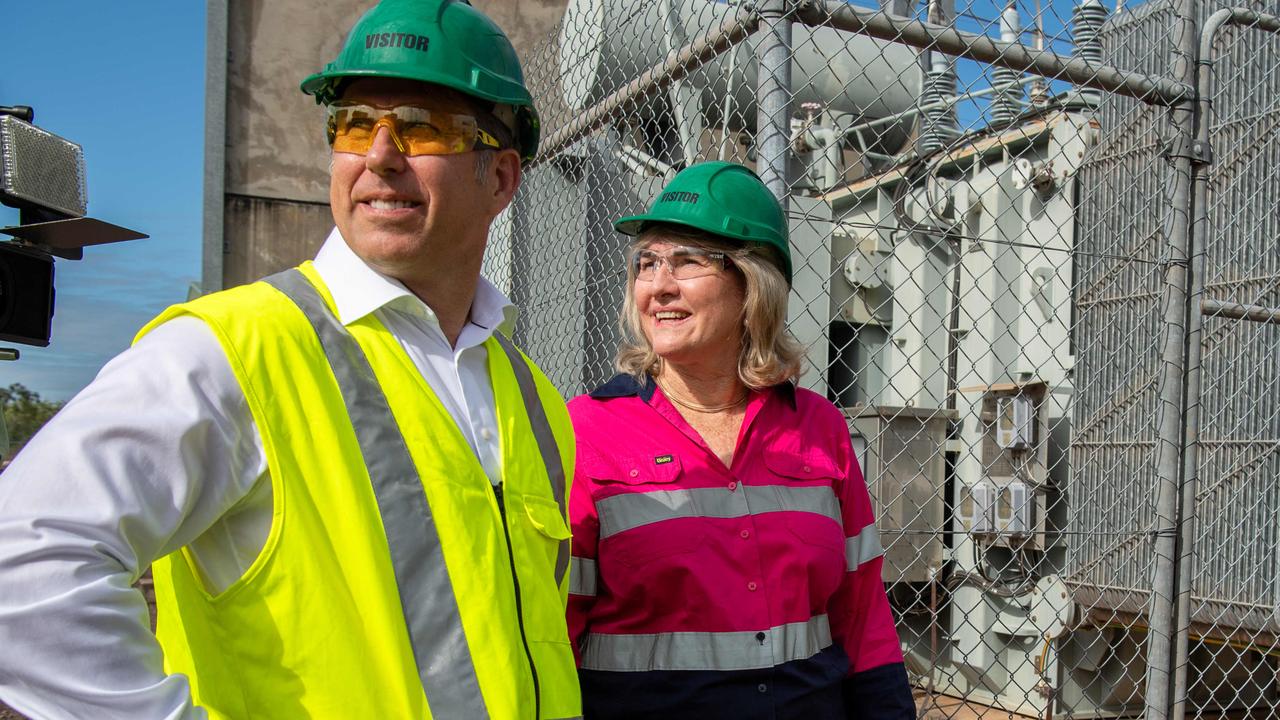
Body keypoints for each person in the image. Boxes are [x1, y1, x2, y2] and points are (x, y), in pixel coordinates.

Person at [0, 1, 581, 717]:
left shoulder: (532, 395)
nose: (379, 154)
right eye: (355, 124)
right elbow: (21, 566)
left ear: (501, 179)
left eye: (422, 126)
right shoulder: (231, 350)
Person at [564, 161, 916, 719]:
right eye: (647, 263)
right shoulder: (585, 431)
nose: (658, 286)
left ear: (752, 284)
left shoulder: (818, 428)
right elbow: (554, 628)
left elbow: (862, 613)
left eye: (686, 261)